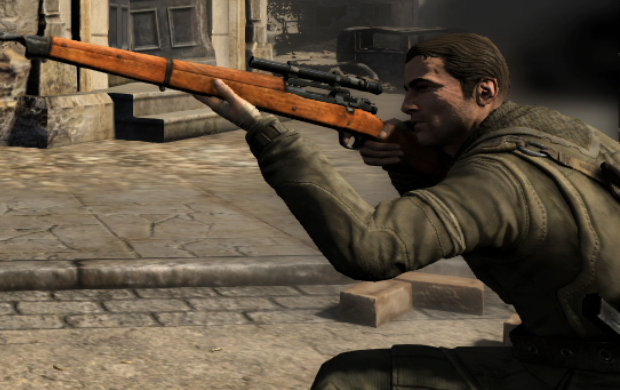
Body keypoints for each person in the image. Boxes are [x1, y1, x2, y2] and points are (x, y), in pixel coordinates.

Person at [196, 33, 620, 389]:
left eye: (424, 88)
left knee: (345, 381)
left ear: (485, 91)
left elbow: (372, 249)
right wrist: (410, 165)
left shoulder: (498, 176)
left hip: (582, 372)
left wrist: (266, 132)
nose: (407, 105)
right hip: (592, 350)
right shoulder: (567, 135)